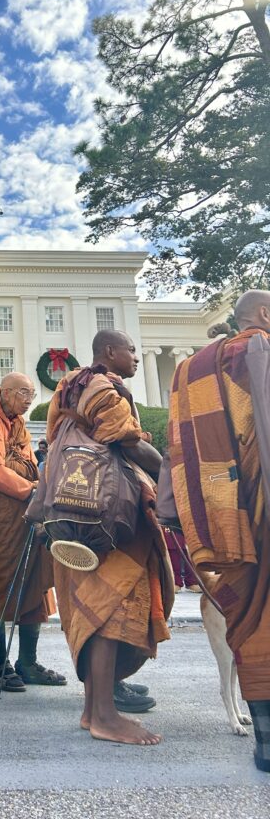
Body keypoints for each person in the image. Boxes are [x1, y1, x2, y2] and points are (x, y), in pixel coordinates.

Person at [46, 330, 173, 745]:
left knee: (93, 606)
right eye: (131, 350)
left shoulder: (69, 386)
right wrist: (171, 475)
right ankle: (104, 715)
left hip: (75, 514)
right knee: (110, 610)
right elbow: (130, 445)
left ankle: (92, 710)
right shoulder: (102, 387)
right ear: (110, 352)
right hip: (110, 518)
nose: (136, 357)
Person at [168, 290, 270, 773]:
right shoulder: (261, 352)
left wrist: (175, 512)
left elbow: (179, 447)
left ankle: (265, 740)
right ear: (266, 315)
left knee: (248, 616)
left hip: (221, 515)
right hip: (260, 504)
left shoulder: (192, 369)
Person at [0, 373, 65, 693]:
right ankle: (0, 665)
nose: (28, 400)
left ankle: (28, 662)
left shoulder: (17, 420)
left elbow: (29, 461)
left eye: (32, 395)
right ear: (4, 392)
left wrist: (35, 487)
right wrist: (31, 491)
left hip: (25, 513)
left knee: (34, 582)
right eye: (23, 393)